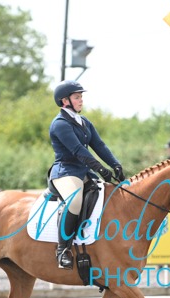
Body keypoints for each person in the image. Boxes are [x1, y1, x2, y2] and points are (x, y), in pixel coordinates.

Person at [49, 80, 126, 269]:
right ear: (65, 101)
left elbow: (99, 145)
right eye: (77, 97)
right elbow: (78, 150)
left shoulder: (83, 122)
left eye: (81, 97)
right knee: (74, 201)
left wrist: (115, 164)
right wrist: (100, 169)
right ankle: (62, 250)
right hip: (66, 172)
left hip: (84, 172)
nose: (81, 100)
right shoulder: (60, 124)